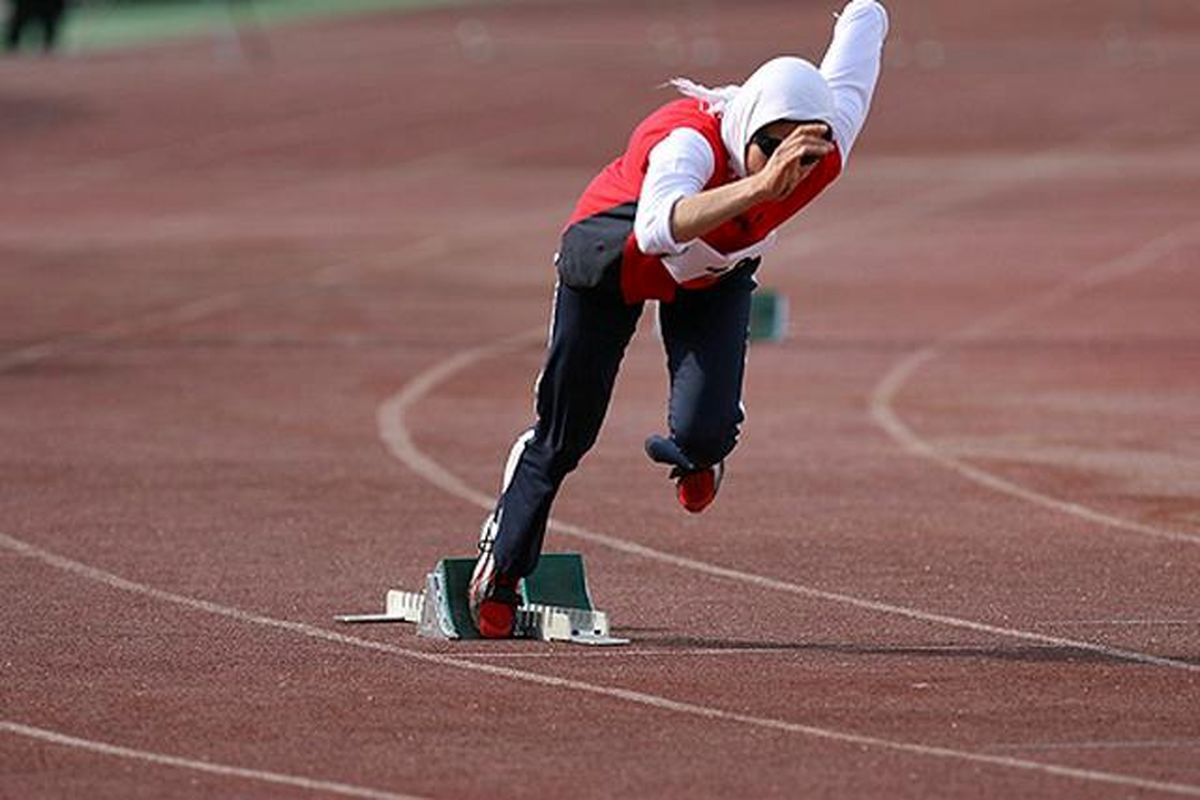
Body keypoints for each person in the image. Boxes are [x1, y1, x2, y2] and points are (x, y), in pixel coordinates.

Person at [469, 0, 889, 638]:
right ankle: (502, 563)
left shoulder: (825, 144)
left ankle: (702, 452)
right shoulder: (688, 142)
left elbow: (861, 38)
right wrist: (761, 188)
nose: (790, 168)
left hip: (713, 270)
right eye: (771, 150)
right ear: (747, 127)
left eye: (800, 155)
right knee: (565, 434)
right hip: (616, 255)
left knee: (704, 432)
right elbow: (656, 225)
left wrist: (865, 8)